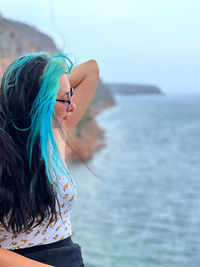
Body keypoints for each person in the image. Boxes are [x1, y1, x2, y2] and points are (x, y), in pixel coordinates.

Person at [0, 52, 99, 266]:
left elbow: (91, 70)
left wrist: (53, 83)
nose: (72, 105)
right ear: (40, 101)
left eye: (72, 95)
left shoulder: (53, 139)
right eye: (65, 98)